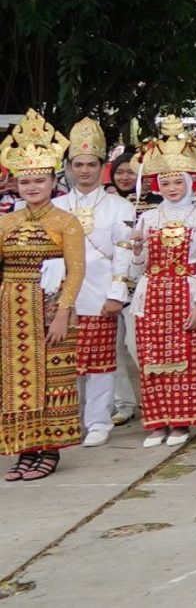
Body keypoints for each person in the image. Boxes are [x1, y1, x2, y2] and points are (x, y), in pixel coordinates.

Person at [0, 112, 85, 481]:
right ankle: (24, 449)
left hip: (50, 306)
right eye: (25, 181)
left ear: (53, 181)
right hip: (11, 308)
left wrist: (63, 312)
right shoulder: (6, 222)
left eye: (38, 180)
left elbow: (76, 270)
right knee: (15, 380)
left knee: (52, 381)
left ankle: (49, 449)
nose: (31, 187)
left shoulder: (66, 221)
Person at [122, 120, 196, 447]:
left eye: (178, 181)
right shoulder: (148, 217)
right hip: (152, 295)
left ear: (191, 182)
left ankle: (181, 422)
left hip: (185, 292)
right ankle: (157, 421)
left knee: (185, 360)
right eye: (166, 181)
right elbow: (138, 267)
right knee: (150, 358)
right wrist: (136, 249)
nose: (172, 187)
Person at [55, 119, 134, 447]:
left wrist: (117, 293)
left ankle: (99, 420)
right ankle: (70, 420)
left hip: (102, 294)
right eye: (78, 165)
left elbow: (124, 253)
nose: (84, 170)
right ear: (69, 167)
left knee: (101, 362)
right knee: (66, 364)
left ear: (102, 167)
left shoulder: (120, 206)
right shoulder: (55, 207)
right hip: (62, 299)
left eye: (91, 165)